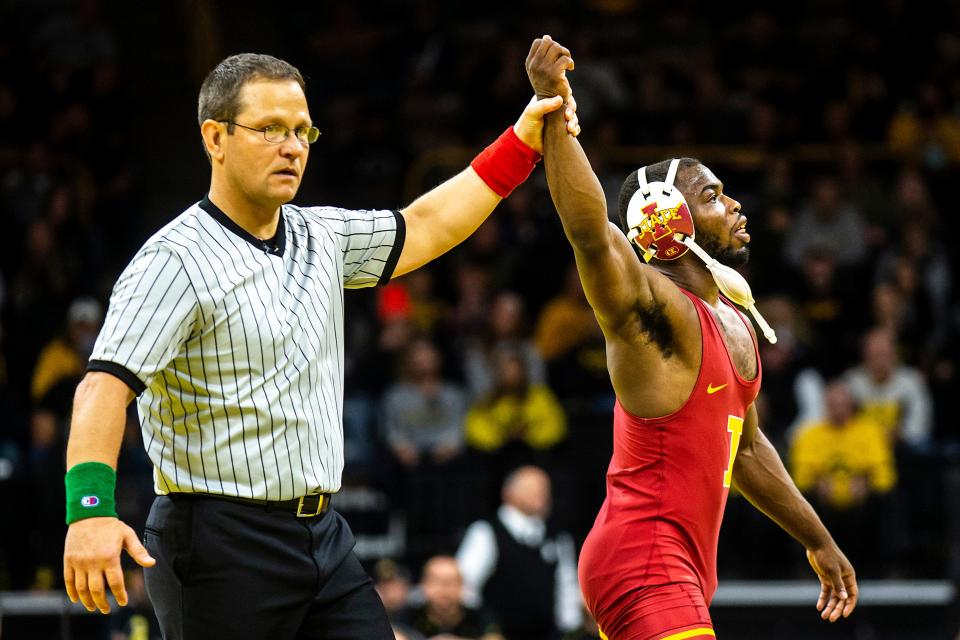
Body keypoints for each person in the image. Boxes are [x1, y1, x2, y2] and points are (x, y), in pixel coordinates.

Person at [61, 52, 579, 639]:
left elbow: (428, 225)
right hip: (217, 544)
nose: (293, 146)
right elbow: (101, 389)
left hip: (322, 536)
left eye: (302, 130)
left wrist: (522, 141)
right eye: (270, 129)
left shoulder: (321, 236)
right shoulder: (173, 259)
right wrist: (89, 513)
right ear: (215, 137)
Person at [526, 36, 858, 640]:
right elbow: (589, 235)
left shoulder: (733, 316)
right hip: (643, 559)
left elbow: (750, 452)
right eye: (712, 195)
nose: (733, 205)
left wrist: (819, 539)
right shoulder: (655, 311)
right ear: (664, 217)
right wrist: (552, 106)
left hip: (675, 567)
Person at [456, 465, 581, 640]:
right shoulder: (486, 532)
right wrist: (484, 627)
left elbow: (566, 588)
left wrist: (569, 631)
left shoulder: (558, 537)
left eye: (545, 488)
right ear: (507, 492)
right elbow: (465, 586)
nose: (541, 494)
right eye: (532, 488)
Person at [396, 556, 504, 640]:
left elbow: (495, 637)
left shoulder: (480, 615)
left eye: (451, 582)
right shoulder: (408, 615)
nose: (444, 590)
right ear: (424, 585)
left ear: (462, 586)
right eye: (437, 582)